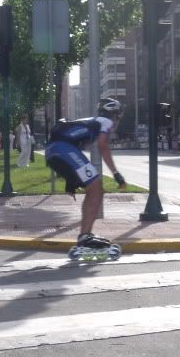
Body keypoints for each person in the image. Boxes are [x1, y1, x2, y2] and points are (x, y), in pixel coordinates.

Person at [44, 98, 127, 261]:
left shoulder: (93, 121)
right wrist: (116, 174)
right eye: (118, 117)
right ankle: (85, 237)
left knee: (94, 189)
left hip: (54, 150)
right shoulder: (105, 122)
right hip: (64, 148)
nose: (117, 121)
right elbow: (103, 146)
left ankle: (85, 235)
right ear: (114, 114)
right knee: (96, 189)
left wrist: (71, 180)